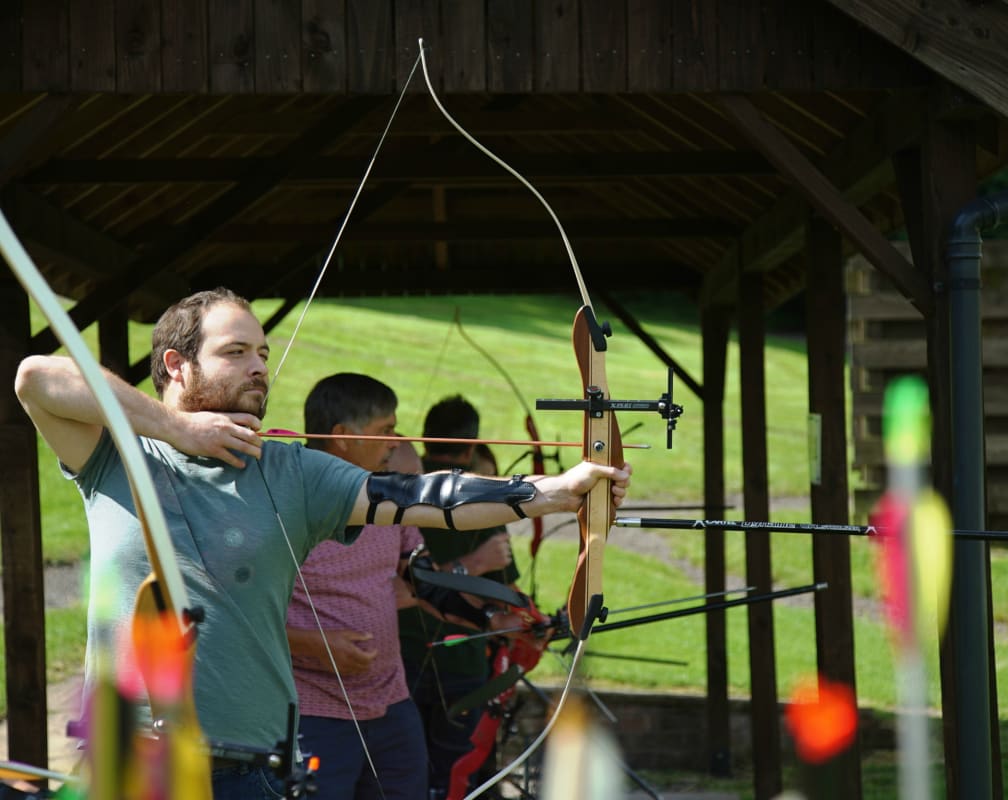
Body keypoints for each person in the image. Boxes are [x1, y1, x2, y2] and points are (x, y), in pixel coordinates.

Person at [13, 288, 632, 800]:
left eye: (263, 351)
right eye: (236, 352)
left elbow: (424, 495)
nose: (260, 365)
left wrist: (555, 492)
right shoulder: (114, 455)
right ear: (177, 365)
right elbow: (36, 376)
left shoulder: (293, 473)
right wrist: (176, 427)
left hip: (251, 770)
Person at [284, 374, 426, 800]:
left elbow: (419, 574)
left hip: (391, 702)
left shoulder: (388, 494)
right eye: (386, 430)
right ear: (343, 437)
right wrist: (315, 644)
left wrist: (491, 609)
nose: (395, 443)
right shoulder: (285, 498)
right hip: (313, 709)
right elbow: (233, 614)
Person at [398, 396, 530, 800]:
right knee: (453, 778)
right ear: (472, 447)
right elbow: (500, 591)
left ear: (423, 440)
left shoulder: (398, 490)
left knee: (402, 776)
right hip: (445, 662)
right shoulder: (484, 501)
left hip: (405, 657)